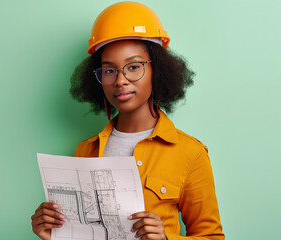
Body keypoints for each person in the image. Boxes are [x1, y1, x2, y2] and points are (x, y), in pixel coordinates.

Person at [31, 2, 224, 240]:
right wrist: (54, 233)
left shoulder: (190, 153)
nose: (120, 80)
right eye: (109, 70)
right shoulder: (85, 151)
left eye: (133, 67)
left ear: (158, 70)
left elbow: (212, 236)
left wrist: (166, 239)